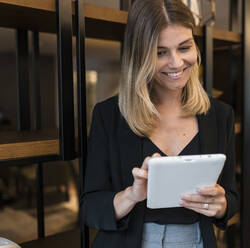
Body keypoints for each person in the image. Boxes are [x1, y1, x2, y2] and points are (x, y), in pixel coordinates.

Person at [80, 0, 239, 247]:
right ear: (140, 56)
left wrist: (222, 204)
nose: (176, 63)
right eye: (160, 52)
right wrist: (131, 196)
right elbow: (90, 206)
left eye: (184, 47)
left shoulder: (220, 115)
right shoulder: (108, 115)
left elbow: (231, 195)